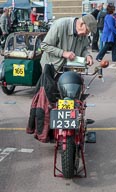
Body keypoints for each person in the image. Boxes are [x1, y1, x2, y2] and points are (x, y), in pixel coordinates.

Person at [26, 14, 97, 143]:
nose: (86, 35)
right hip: (52, 68)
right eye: (86, 31)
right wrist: (63, 53)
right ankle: (48, 132)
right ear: (81, 24)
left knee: (71, 97)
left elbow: (85, 48)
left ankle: (72, 124)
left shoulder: (82, 35)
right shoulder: (60, 25)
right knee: (50, 101)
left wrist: (88, 56)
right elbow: (44, 45)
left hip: (70, 69)